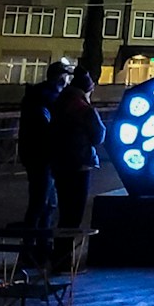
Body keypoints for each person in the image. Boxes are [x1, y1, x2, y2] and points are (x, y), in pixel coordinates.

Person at [48, 69, 105, 231]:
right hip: (80, 165)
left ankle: (60, 244)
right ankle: (67, 245)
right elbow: (98, 136)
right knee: (75, 213)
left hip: (59, 163)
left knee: (64, 209)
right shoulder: (84, 109)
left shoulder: (59, 103)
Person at [17, 61, 71, 229]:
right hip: (42, 155)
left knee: (45, 202)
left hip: (37, 154)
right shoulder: (48, 98)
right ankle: (34, 239)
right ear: (60, 77)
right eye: (66, 76)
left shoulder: (38, 95)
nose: (67, 81)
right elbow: (49, 126)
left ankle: (39, 239)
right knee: (41, 202)